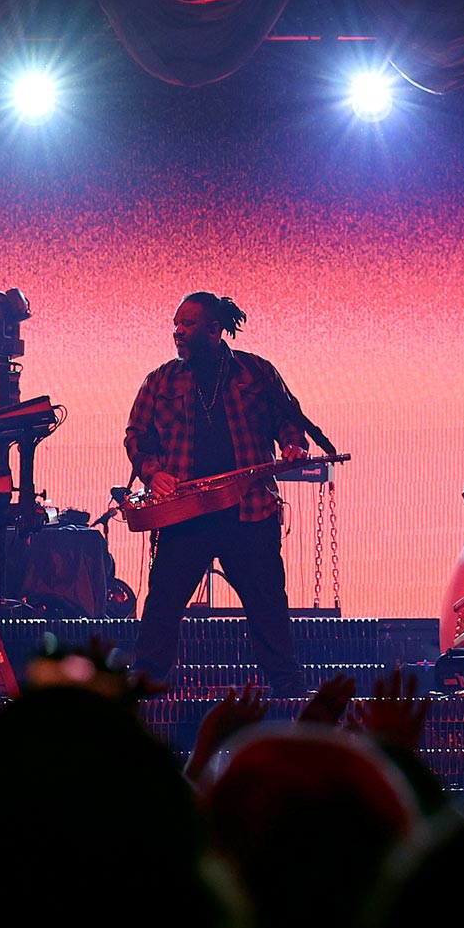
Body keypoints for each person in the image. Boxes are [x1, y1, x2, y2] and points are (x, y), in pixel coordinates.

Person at [124, 292, 312, 701]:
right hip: (186, 513)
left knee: (267, 604)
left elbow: (288, 418)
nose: (177, 331)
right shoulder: (161, 380)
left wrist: (292, 445)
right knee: (163, 605)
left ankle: (288, 688)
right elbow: (137, 436)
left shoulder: (255, 372)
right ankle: (144, 688)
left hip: (249, 510)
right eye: (175, 323)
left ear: (213, 329)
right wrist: (153, 473)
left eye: (187, 324)